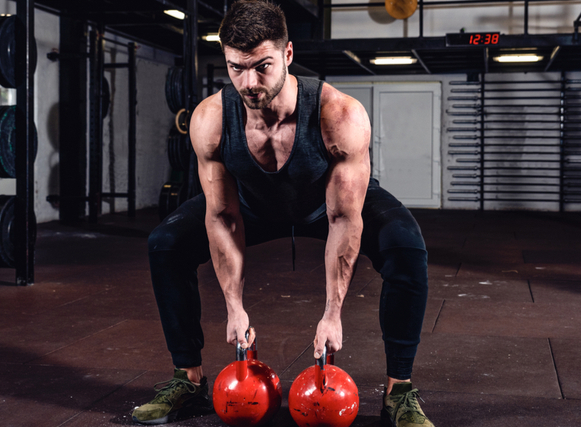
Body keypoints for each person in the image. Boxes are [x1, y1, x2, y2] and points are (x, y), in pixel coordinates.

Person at [132, 1, 433, 426]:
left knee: (405, 243)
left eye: (262, 66)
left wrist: (332, 314)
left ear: (288, 54)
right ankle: (188, 379)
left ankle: (398, 391)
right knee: (166, 243)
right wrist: (234, 308)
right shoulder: (211, 120)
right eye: (236, 67)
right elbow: (223, 217)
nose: (248, 82)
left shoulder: (339, 116)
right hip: (253, 203)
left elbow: (343, 219)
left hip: (322, 201)